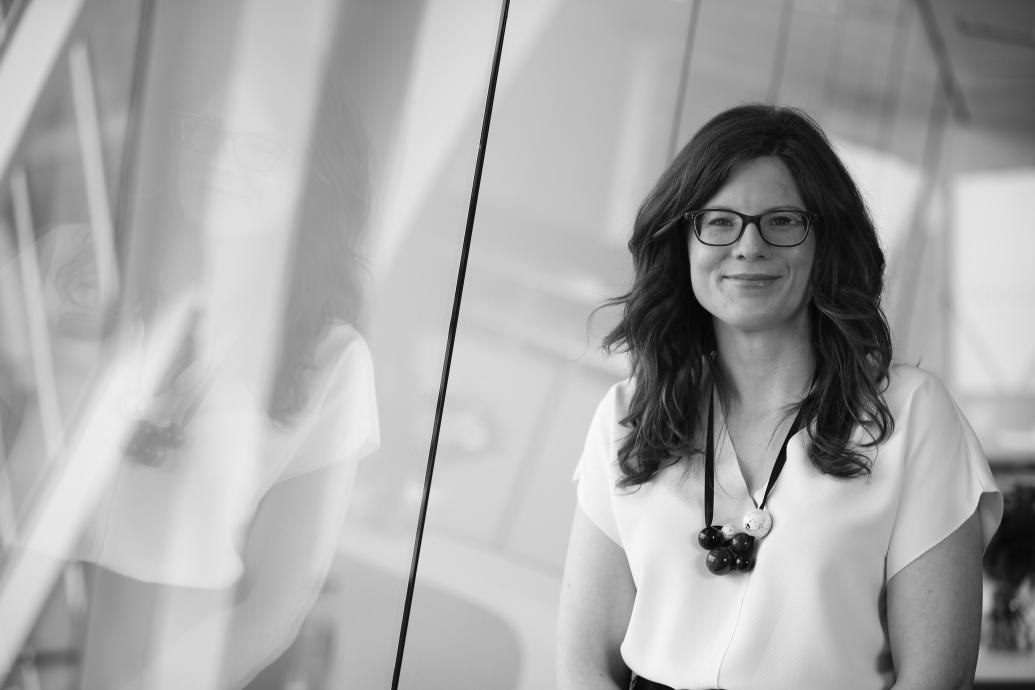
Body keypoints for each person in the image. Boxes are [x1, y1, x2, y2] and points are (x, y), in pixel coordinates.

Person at [556, 104, 1003, 690]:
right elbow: (583, 664)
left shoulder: (912, 416)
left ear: (826, 244)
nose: (748, 246)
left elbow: (935, 678)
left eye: (782, 221)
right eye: (719, 221)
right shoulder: (627, 415)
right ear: (682, 243)